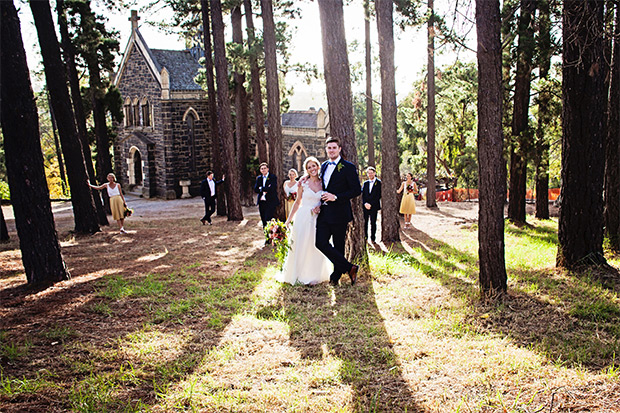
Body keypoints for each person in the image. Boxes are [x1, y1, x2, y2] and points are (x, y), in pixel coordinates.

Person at [276, 157, 332, 285]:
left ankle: (315, 274)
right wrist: (288, 220)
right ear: (306, 170)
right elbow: (297, 202)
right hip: (303, 217)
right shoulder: (303, 183)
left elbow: (326, 200)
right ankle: (299, 274)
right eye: (309, 167)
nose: (312, 169)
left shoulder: (324, 182)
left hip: (318, 218)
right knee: (302, 244)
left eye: (314, 166)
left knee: (316, 245)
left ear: (318, 166)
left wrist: (320, 206)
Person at [315, 136, 362, 286]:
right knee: (320, 242)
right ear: (326, 150)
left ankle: (335, 277)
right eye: (329, 148)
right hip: (324, 213)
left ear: (339, 149)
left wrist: (336, 197)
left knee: (338, 245)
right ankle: (350, 267)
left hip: (340, 213)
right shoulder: (323, 166)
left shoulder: (348, 167)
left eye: (334, 147)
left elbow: (356, 190)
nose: (331, 150)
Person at [254, 162, 279, 230]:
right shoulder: (259, 178)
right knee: (264, 221)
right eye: (262, 169)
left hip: (270, 202)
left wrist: (261, 188)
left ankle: (271, 237)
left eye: (265, 168)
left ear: (268, 169)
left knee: (268, 219)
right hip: (262, 202)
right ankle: (267, 237)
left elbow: (272, 188)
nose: (263, 170)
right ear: (260, 170)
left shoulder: (272, 177)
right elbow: (256, 189)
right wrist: (264, 188)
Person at [362, 166, 381, 243]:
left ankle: (373, 238)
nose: (370, 174)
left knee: (373, 222)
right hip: (365, 206)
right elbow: (362, 195)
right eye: (368, 173)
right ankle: (365, 238)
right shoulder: (365, 183)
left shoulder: (379, 183)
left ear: (374, 173)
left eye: (371, 173)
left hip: (374, 206)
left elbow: (378, 195)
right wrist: (365, 203)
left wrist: (371, 204)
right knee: (365, 222)